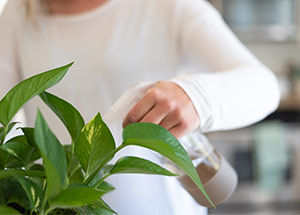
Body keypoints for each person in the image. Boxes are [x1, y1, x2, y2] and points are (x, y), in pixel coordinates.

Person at [0, 0, 280, 214]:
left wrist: (196, 96)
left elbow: (264, 85)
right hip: (57, 205)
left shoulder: (166, 5)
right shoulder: (21, 10)